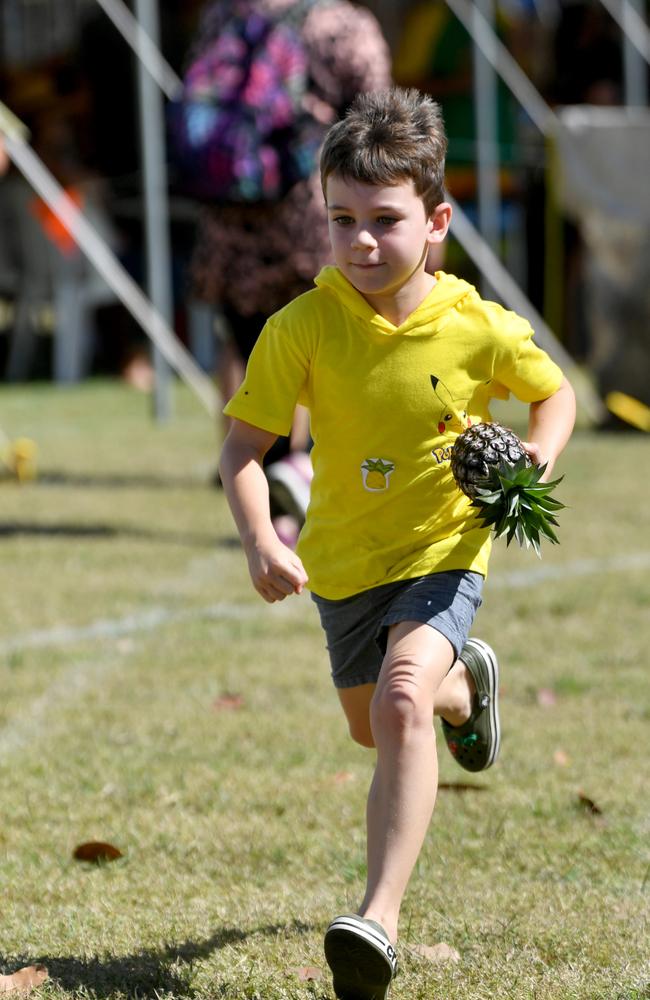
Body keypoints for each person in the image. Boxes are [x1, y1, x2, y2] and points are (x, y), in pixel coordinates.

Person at [219, 87, 576, 1000]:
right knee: (371, 722)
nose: (362, 242)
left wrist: (535, 454)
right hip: (343, 565)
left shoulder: (474, 324)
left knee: (398, 703)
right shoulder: (301, 327)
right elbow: (243, 453)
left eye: (385, 220)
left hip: (443, 551)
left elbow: (556, 392)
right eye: (342, 220)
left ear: (437, 221)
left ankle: (377, 919)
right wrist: (262, 537)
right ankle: (469, 687)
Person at [187, 0, 392, 544]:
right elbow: (377, 128)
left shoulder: (222, 18)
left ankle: (275, 506)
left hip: (231, 224)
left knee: (260, 365)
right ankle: (304, 499)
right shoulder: (341, 25)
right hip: (314, 223)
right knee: (329, 361)